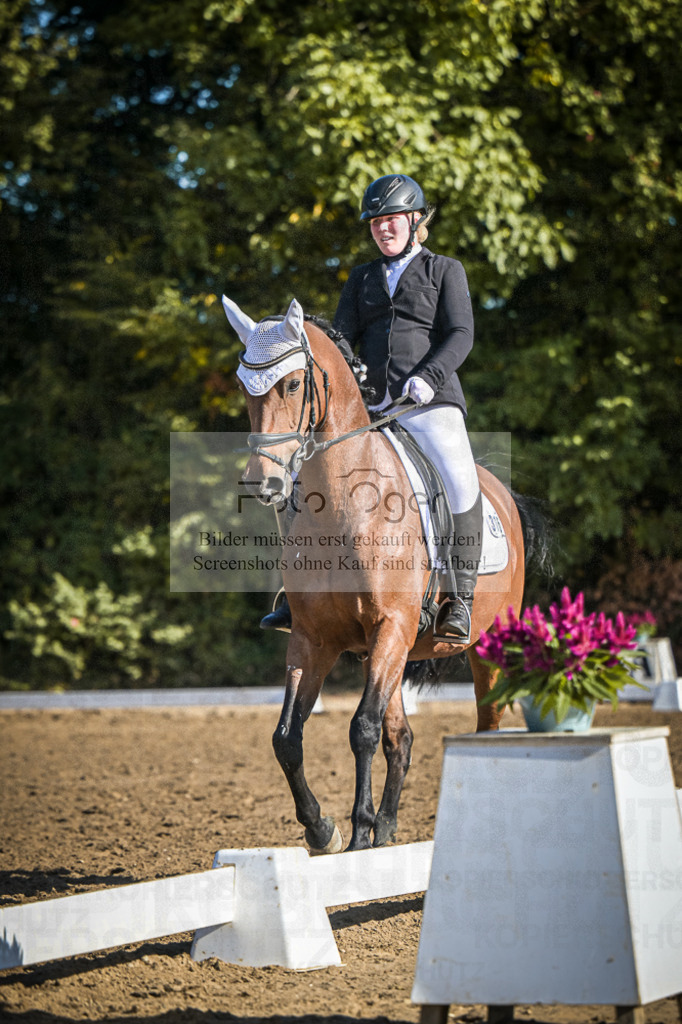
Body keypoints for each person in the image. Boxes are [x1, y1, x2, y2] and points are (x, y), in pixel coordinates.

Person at [261, 173, 482, 641]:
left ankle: (459, 598)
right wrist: (349, 370)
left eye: (392, 220)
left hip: (429, 402)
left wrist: (430, 376)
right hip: (372, 411)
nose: (383, 229)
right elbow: (342, 339)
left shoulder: (445, 270)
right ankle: (296, 589)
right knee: (300, 479)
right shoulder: (360, 278)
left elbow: (461, 333)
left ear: (415, 221)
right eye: (376, 222)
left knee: (459, 477)